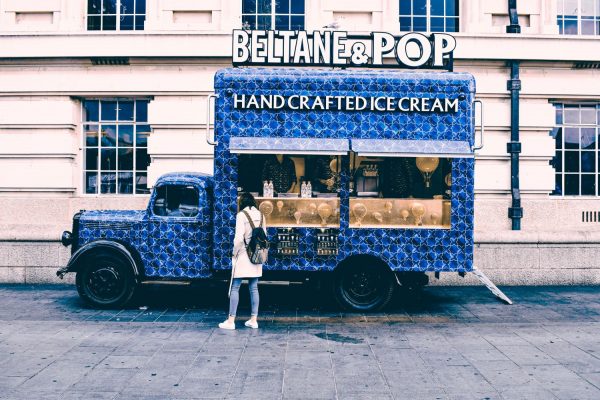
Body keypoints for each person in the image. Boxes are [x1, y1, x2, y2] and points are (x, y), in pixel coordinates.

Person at [219, 192, 266, 330]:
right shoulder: (262, 215)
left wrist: (234, 253)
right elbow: (265, 236)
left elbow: (239, 238)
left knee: (235, 287)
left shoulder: (241, 216)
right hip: (257, 255)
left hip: (243, 254)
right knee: (254, 287)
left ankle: (231, 321)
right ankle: (253, 320)